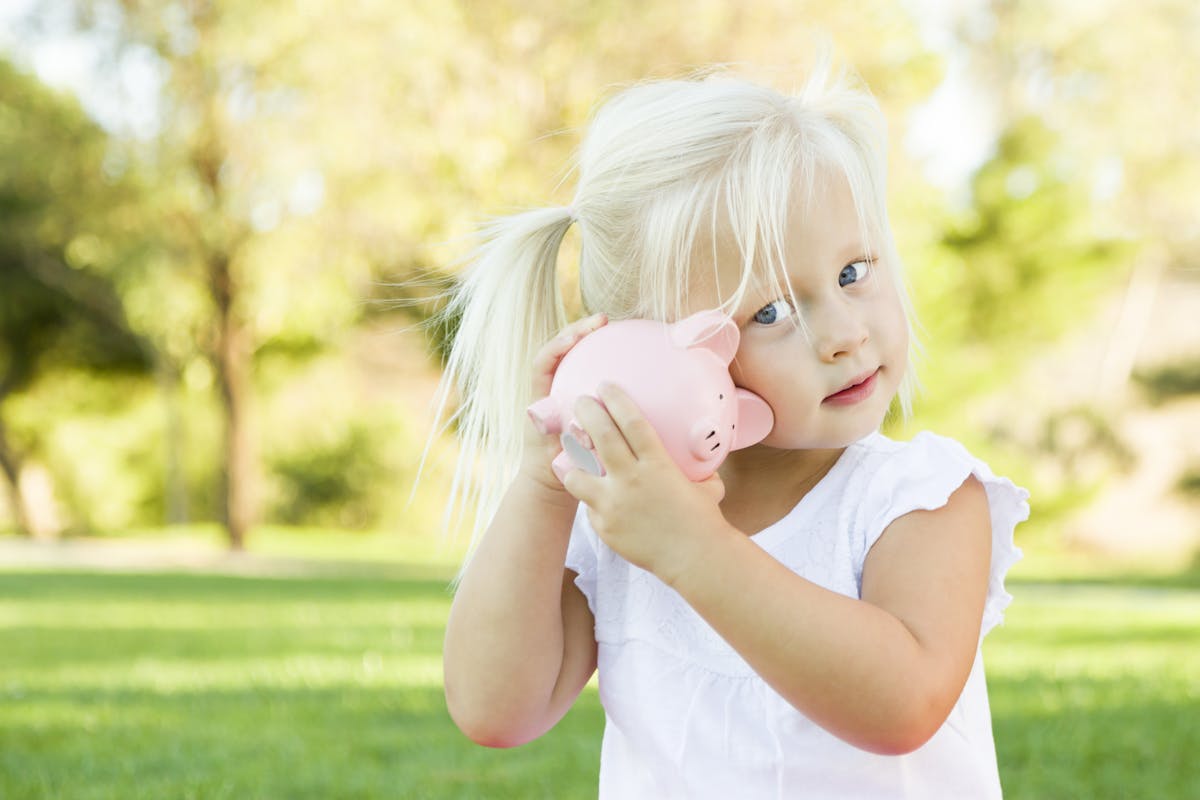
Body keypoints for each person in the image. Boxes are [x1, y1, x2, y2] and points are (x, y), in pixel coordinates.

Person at [429, 47, 1030, 799]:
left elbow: (902, 706)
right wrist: (542, 486)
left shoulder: (917, 499)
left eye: (853, 272)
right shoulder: (629, 524)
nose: (843, 332)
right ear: (643, 349)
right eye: (770, 312)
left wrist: (696, 550)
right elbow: (495, 710)